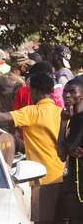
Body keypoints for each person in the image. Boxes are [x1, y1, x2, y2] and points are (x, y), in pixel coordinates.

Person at [0, 72, 64, 185]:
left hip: (43, 178)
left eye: (30, 91)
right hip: (61, 173)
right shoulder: (60, 112)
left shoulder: (32, 112)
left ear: (36, 91)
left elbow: (2, 118)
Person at [58, 78, 83, 221]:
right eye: (65, 92)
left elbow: (61, 151)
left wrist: (62, 123)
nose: (67, 95)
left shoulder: (78, 120)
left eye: (72, 92)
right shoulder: (74, 119)